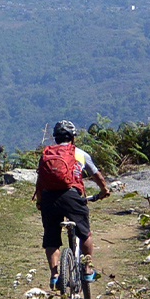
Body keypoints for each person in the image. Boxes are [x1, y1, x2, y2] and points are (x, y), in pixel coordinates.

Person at [34, 120, 112, 289]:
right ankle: (87, 268)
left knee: (51, 238)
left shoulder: (46, 154)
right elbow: (97, 175)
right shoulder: (80, 153)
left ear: (55, 138)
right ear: (73, 137)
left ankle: (55, 275)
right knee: (84, 233)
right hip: (71, 197)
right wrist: (104, 190)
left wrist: (40, 202)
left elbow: (40, 182)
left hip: (49, 199)